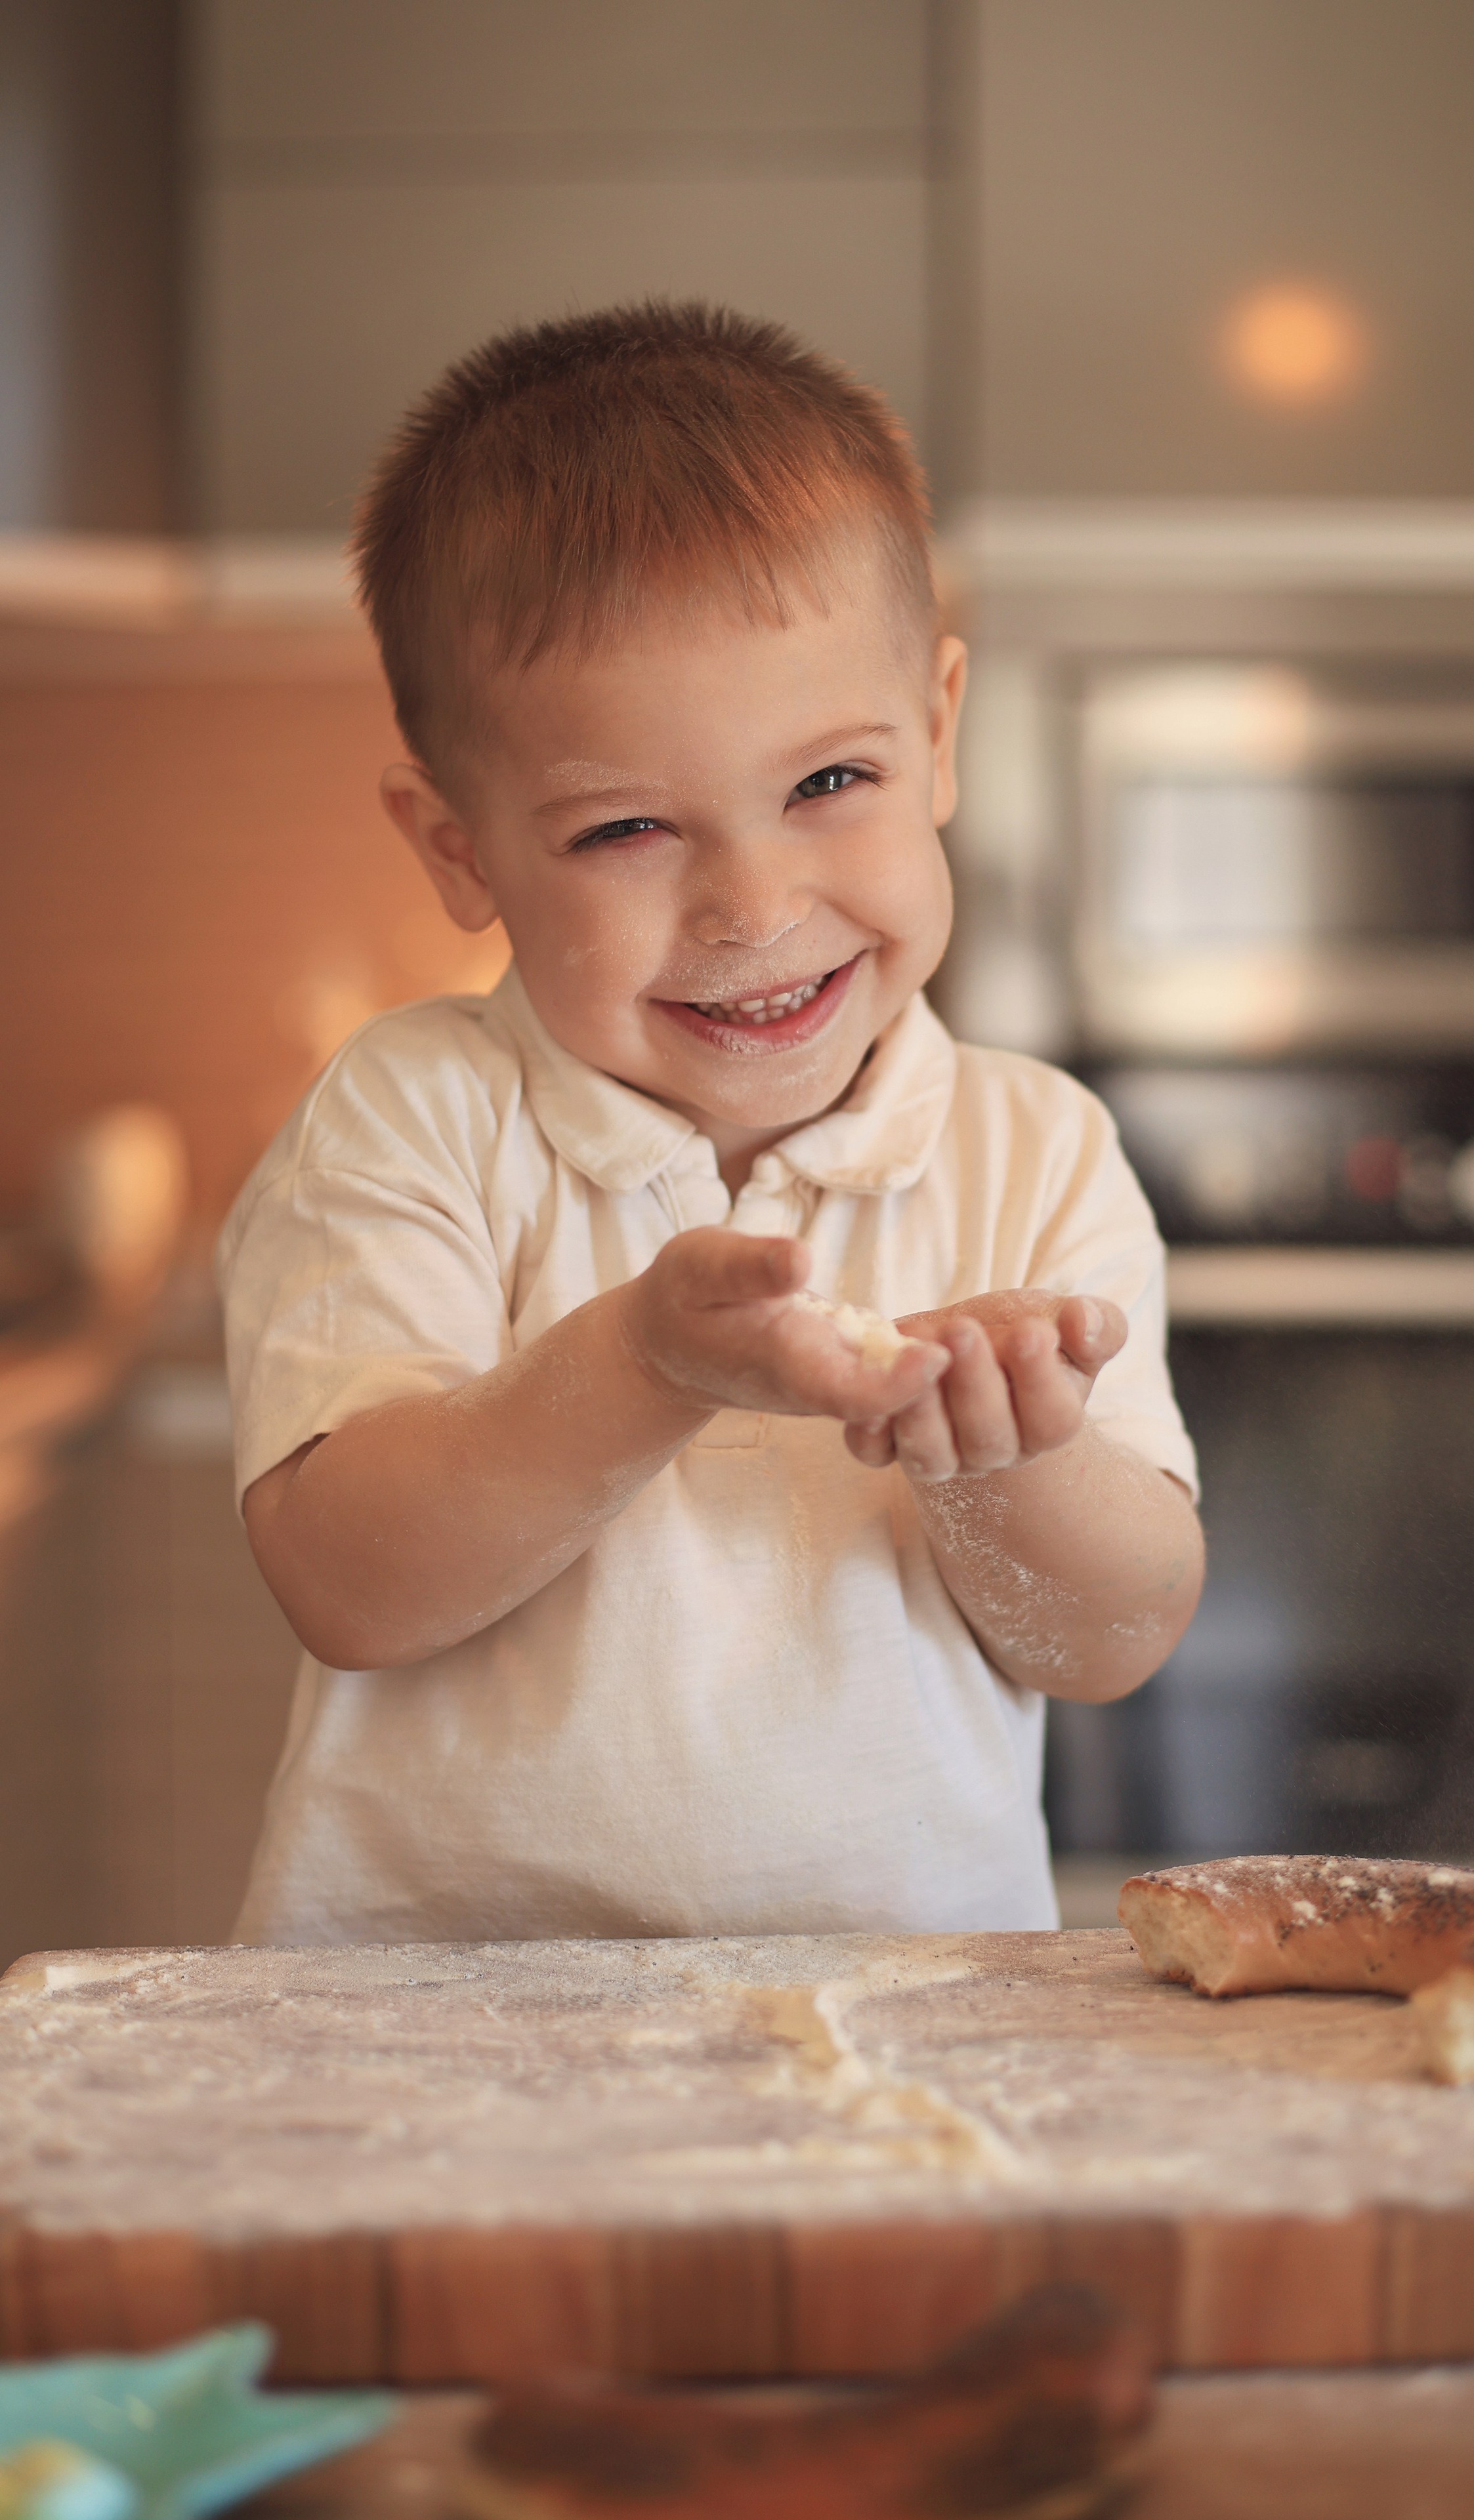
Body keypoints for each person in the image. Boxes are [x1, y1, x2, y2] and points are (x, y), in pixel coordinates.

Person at [218, 301, 1204, 1945]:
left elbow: (1104, 1639)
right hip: (442, 2063)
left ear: (940, 734)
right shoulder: (408, 1121)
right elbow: (353, 1588)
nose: (754, 905)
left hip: (906, 2050)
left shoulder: (1034, 1153)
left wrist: (1010, 1456)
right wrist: (641, 1364)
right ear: (457, 847)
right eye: (623, 827)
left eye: (829, 784)